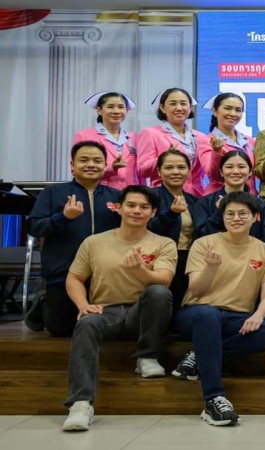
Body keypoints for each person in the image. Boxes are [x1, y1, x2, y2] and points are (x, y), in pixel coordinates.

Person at [61, 185, 176, 431]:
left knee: (159, 293)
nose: (137, 211)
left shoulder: (164, 243)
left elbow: (164, 280)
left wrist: (139, 270)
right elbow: (74, 279)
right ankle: (81, 404)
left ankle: (147, 356)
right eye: (131, 205)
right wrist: (84, 305)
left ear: (153, 212)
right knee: (85, 324)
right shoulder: (94, 242)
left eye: (144, 207)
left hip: (140, 313)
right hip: (106, 312)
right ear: (118, 208)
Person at [175, 191, 265, 426]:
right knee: (208, 315)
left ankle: (200, 354)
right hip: (197, 313)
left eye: (243, 214)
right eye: (230, 214)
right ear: (223, 217)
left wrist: (258, 315)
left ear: (255, 217)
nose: (236, 218)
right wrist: (210, 268)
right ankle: (214, 398)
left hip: (237, 318)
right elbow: (195, 290)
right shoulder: (204, 243)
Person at [25, 141, 121, 336]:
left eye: (97, 161)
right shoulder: (53, 193)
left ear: (105, 166)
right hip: (63, 271)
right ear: (72, 166)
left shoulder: (117, 196)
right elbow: (34, 227)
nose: (91, 165)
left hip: (104, 275)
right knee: (61, 329)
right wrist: (64, 217)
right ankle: (45, 302)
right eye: (83, 160)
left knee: (103, 326)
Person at [147, 149, 200, 324]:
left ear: (189, 170)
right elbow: (146, 229)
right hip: (158, 260)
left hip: (188, 259)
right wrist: (170, 213)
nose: (176, 172)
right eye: (169, 167)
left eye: (181, 167)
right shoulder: (150, 196)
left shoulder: (194, 200)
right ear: (159, 171)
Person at [137, 88, 207, 197]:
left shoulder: (201, 137)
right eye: (173, 104)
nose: (179, 108)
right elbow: (142, 170)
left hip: (197, 196)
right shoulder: (150, 133)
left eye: (183, 103)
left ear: (191, 108)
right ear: (162, 108)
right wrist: (164, 157)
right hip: (163, 196)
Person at [72, 91, 138, 189]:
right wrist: (111, 167)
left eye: (121, 107)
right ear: (99, 110)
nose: (116, 111)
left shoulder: (134, 137)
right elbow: (77, 169)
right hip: (100, 191)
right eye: (110, 106)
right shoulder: (84, 135)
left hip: (131, 194)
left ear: (126, 111)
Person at [195, 150, 265, 240]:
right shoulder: (204, 203)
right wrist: (218, 214)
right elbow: (200, 236)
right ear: (221, 172)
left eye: (241, 167)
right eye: (229, 167)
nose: (236, 171)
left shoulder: (260, 205)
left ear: (250, 172)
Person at [197, 93, 256, 195]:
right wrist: (217, 152)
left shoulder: (250, 141)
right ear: (215, 111)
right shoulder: (205, 141)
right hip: (219, 199)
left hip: (249, 199)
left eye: (238, 110)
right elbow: (214, 175)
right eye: (228, 108)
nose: (233, 114)